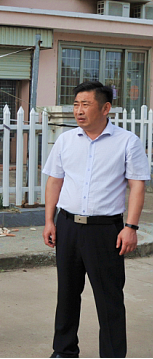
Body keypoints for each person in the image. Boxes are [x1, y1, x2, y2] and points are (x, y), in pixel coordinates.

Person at [42, 81, 149, 358]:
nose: (79, 110)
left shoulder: (127, 141)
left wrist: (131, 227)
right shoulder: (66, 140)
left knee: (109, 297)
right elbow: (55, 181)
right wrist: (49, 220)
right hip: (67, 225)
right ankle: (64, 351)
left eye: (86, 104)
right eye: (76, 104)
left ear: (105, 108)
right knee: (67, 294)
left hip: (105, 230)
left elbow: (137, 185)